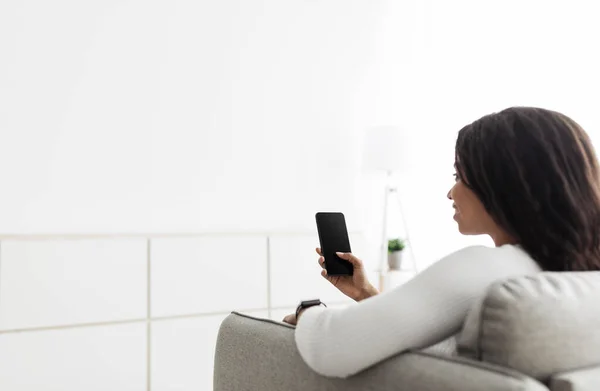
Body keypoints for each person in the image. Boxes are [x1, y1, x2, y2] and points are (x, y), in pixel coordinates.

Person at [282, 106, 600, 378]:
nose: (451, 193)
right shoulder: (569, 275)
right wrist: (367, 294)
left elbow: (331, 346)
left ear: (506, 183)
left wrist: (306, 312)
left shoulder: (488, 267)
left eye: (458, 176)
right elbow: (453, 352)